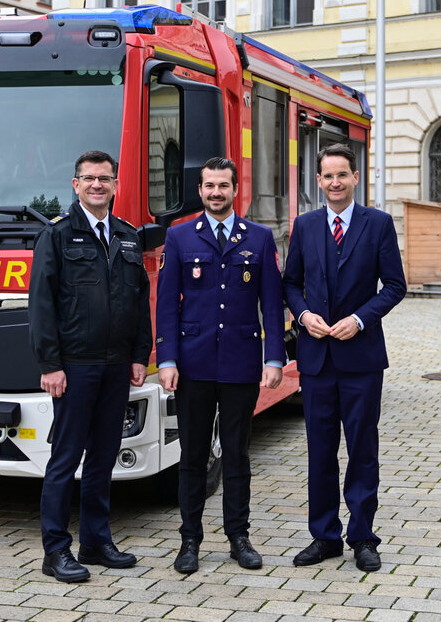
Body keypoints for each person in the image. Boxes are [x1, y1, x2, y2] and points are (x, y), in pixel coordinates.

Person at [155, 157, 285, 574]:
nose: (216, 192)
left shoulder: (260, 239)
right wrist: (167, 358)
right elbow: (168, 306)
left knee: (236, 456)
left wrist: (274, 358)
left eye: (223, 186)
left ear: (235, 191)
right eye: (209, 186)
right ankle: (189, 539)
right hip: (191, 367)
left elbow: (272, 302)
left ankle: (238, 537)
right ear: (200, 190)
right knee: (192, 457)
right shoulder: (178, 238)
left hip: (240, 366)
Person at [29, 150, 152, 583]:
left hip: (117, 366)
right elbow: (41, 304)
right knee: (65, 458)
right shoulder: (59, 236)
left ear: (116, 185)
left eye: (105, 178)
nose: (98, 185)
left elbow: (139, 304)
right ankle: (55, 550)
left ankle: (97, 541)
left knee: (103, 458)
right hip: (75, 367)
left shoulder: (127, 235)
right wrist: (50, 364)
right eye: (89, 178)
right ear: (75, 184)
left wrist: (141, 355)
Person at [282, 143, 406, 572]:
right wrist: (302, 314)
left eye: (342, 175)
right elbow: (290, 283)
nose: (335, 182)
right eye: (327, 176)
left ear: (356, 178)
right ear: (318, 181)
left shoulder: (379, 224)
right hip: (316, 359)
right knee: (320, 452)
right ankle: (325, 536)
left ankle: (363, 537)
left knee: (362, 450)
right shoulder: (305, 225)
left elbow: (394, 285)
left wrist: (360, 318)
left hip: (361, 359)